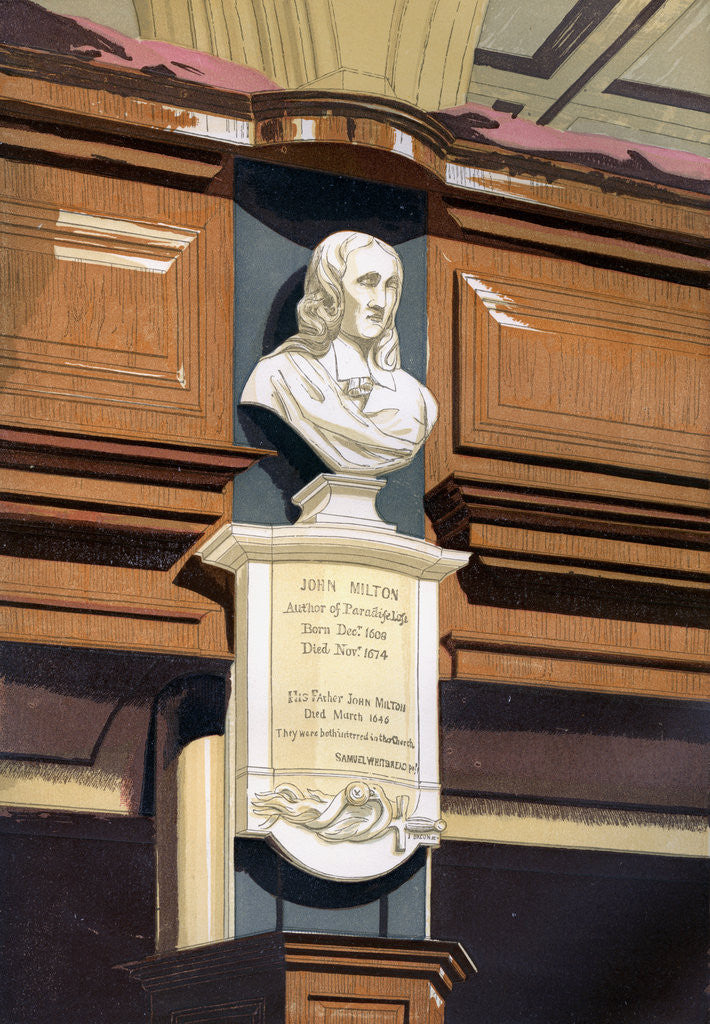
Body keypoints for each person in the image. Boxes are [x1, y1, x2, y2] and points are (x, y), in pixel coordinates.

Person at [240, 231, 438, 476]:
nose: (380, 302)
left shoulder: (418, 400)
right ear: (331, 291)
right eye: (367, 282)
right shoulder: (277, 377)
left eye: (390, 286)